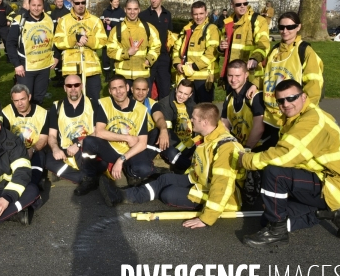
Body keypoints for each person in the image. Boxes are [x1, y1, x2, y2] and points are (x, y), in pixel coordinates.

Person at [240, 80, 340, 247]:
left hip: (332, 184)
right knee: (267, 218)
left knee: (274, 174)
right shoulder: (296, 117)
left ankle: (277, 232)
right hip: (317, 178)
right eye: (281, 101)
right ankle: (332, 212)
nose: (286, 104)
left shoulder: (311, 120)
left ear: (304, 97)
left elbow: (285, 155)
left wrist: (247, 160)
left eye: (291, 98)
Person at [99, 103, 245, 231]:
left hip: (223, 199)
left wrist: (206, 219)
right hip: (198, 182)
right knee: (164, 179)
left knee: (167, 193)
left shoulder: (225, 147)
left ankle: (127, 195)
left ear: (205, 122)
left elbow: (221, 187)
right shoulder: (207, 137)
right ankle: (120, 196)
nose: (190, 120)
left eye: (194, 118)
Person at [249, 12, 324, 137]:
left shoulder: (305, 51)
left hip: (292, 118)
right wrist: (255, 85)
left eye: (290, 27)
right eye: (281, 27)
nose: (285, 31)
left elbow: (314, 86)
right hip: (271, 117)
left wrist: (303, 113)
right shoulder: (275, 50)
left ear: (298, 27)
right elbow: (267, 75)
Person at [80, 75, 151, 192]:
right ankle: (90, 177)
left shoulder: (141, 110)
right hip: (111, 148)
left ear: (127, 87)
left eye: (121, 87)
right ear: (109, 91)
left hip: (129, 151)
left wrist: (121, 160)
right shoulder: (104, 104)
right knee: (89, 141)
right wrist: (127, 138)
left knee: (144, 169)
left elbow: (142, 143)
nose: (118, 92)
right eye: (114, 88)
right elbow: (99, 132)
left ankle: (130, 172)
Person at [45, 75, 98, 189]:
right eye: (69, 86)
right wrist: (55, 149)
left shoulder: (93, 104)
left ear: (82, 86)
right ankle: (84, 178)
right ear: (65, 88)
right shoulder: (56, 106)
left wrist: (78, 144)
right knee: (48, 160)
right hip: (66, 149)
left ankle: (80, 176)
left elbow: (98, 132)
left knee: (88, 151)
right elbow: (52, 135)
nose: (73, 88)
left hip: (86, 146)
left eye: (76, 85)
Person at [7, 0, 58, 105]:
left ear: (43, 6)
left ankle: (36, 120)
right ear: (29, 5)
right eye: (33, 5)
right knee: (25, 97)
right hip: (26, 68)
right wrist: (16, 64)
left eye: (39, 5)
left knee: (39, 97)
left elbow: (56, 40)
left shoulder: (49, 20)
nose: (36, 8)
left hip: (44, 67)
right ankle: (24, 120)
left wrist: (56, 57)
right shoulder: (19, 20)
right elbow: (10, 44)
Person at [54, 0, 107, 100]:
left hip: (91, 68)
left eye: (83, 2)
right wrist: (74, 38)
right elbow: (58, 42)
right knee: (74, 101)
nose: (80, 5)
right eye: (77, 3)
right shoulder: (64, 21)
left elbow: (102, 41)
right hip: (71, 68)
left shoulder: (95, 20)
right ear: (72, 3)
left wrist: (86, 40)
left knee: (93, 101)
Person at [218, 0, 270, 88]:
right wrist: (221, 48)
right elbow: (224, 50)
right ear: (232, 5)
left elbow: (264, 45)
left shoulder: (258, 20)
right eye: (238, 4)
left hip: (251, 76)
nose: (242, 6)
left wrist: (255, 58)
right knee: (231, 103)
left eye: (245, 3)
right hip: (232, 76)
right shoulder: (228, 23)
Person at [171, 1, 220, 103]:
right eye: (195, 14)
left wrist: (193, 67)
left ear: (206, 13)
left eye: (201, 13)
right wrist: (176, 64)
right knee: (187, 111)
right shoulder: (186, 29)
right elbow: (176, 48)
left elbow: (211, 52)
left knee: (203, 111)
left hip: (203, 78)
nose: (198, 17)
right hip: (186, 77)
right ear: (191, 14)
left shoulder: (211, 29)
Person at [107, 0, 161, 88]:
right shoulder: (116, 30)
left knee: (142, 102)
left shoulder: (149, 28)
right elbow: (110, 51)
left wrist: (149, 60)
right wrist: (127, 53)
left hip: (142, 75)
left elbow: (156, 46)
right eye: (129, 9)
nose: (132, 12)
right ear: (125, 9)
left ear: (139, 10)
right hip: (122, 76)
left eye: (135, 9)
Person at [2, 84, 48, 185]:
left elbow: (43, 139)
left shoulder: (43, 113)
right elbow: (3, 138)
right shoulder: (5, 113)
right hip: (13, 151)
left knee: (39, 157)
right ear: (12, 100)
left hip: (35, 149)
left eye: (23, 99)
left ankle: (32, 184)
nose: (20, 104)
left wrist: (32, 149)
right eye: (16, 101)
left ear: (29, 97)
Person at [221, 60, 269, 151]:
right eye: (230, 75)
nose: (233, 80)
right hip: (239, 147)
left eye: (237, 76)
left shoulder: (255, 96)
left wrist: (246, 149)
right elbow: (224, 125)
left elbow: (259, 128)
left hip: (257, 148)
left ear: (246, 75)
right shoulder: (228, 98)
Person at [150, 79, 196, 172]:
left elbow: (196, 128)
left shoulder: (192, 105)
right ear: (176, 89)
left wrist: (194, 147)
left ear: (190, 95)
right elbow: (167, 133)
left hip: (188, 142)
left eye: (185, 94)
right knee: (175, 155)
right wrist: (186, 151)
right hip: (172, 143)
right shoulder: (164, 105)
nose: (181, 96)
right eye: (180, 92)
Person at [139, 0, 173, 99]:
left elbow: (171, 36)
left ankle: (163, 115)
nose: (153, 0)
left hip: (164, 58)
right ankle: (146, 115)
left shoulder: (167, 14)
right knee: (145, 91)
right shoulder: (143, 15)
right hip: (148, 57)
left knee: (165, 90)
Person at [101, 0, 126, 78]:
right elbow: (100, 24)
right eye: (115, 2)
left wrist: (111, 23)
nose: (116, 3)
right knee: (105, 57)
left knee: (116, 55)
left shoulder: (122, 12)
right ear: (110, 2)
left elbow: (122, 25)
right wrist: (104, 22)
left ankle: (116, 74)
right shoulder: (105, 12)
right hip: (106, 37)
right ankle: (107, 75)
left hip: (117, 37)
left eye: (118, 2)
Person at [50, 0, 69, 86]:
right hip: (54, 39)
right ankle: (57, 76)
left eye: (61, 1)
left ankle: (62, 80)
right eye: (58, 1)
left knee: (62, 60)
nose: (60, 3)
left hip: (64, 40)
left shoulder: (67, 13)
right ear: (55, 2)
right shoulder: (52, 14)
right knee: (55, 58)